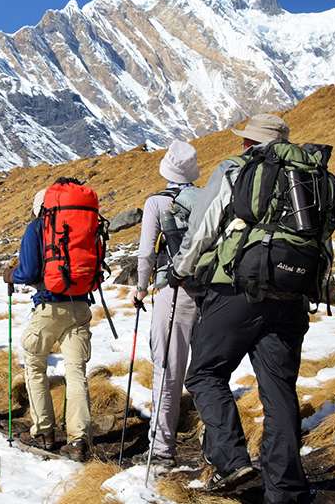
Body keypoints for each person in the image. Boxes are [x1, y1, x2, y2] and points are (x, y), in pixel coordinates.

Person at [171, 114, 325, 501]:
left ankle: (231, 460)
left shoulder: (236, 169)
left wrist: (180, 269)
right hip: (291, 296)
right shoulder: (308, 177)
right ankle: (286, 490)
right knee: (278, 391)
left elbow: (203, 227)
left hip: (237, 291)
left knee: (205, 373)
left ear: (248, 144)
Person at [5, 180, 99, 462]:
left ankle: (43, 432)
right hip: (80, 305)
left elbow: (28, 270)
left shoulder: (37, 227)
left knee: (34, 366)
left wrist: (11, 275)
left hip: (48, 307)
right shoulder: (84, 222)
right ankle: (79, 439)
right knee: (75, 372)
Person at [130, 140, 201, 469]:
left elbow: (146, 253)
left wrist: (141, 289)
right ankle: (217, 447)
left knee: (168, 371)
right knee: (207, 372)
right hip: (211, 294)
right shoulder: (206, 199)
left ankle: (161, 451)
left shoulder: (157, 203)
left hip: (173, 292)